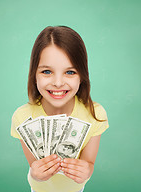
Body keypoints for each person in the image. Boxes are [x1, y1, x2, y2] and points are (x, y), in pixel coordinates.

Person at [11, 26, 109, 192]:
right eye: (47, 71)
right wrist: (35, 174)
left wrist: (86, 170)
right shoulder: (23, 117)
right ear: (34, 74)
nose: (57, 83)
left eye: (70, 72)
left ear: (82, 76)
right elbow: (34, 166)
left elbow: (89, 164)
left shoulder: (95, 114)